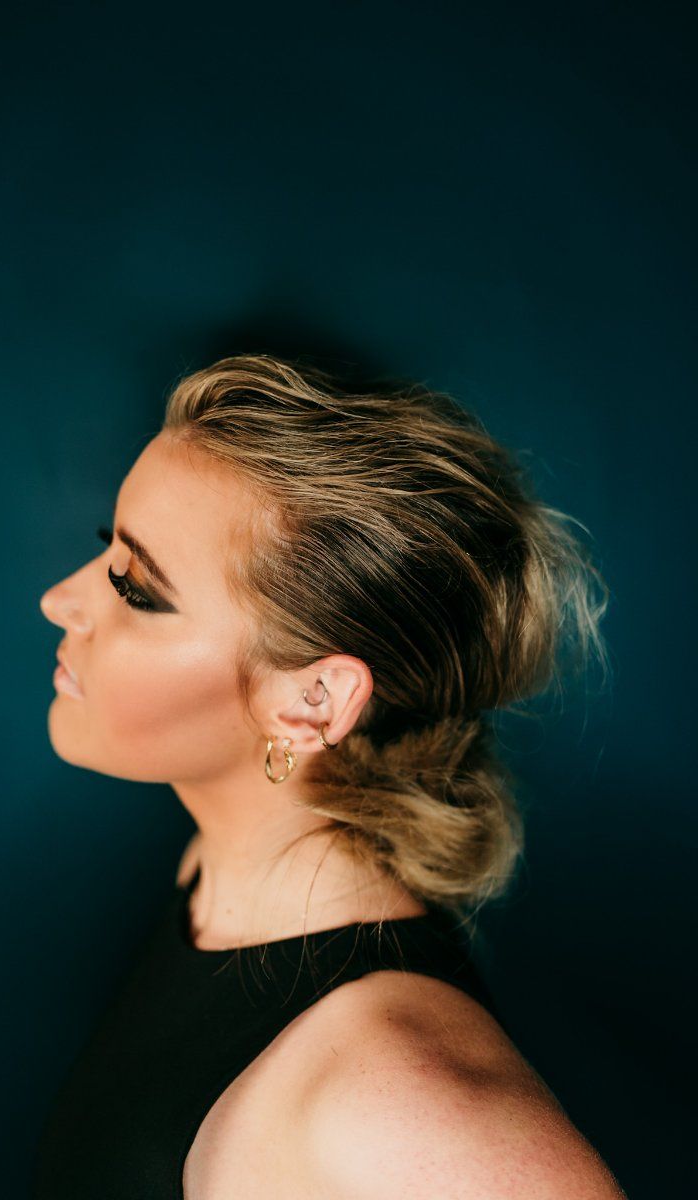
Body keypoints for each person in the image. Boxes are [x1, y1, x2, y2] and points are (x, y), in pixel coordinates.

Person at [34, 353, 626, 1198]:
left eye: (136, 588)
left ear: (312, 701)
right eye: (107, 551)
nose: (62, 600)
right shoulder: (220, 876)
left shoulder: (391, 1097)